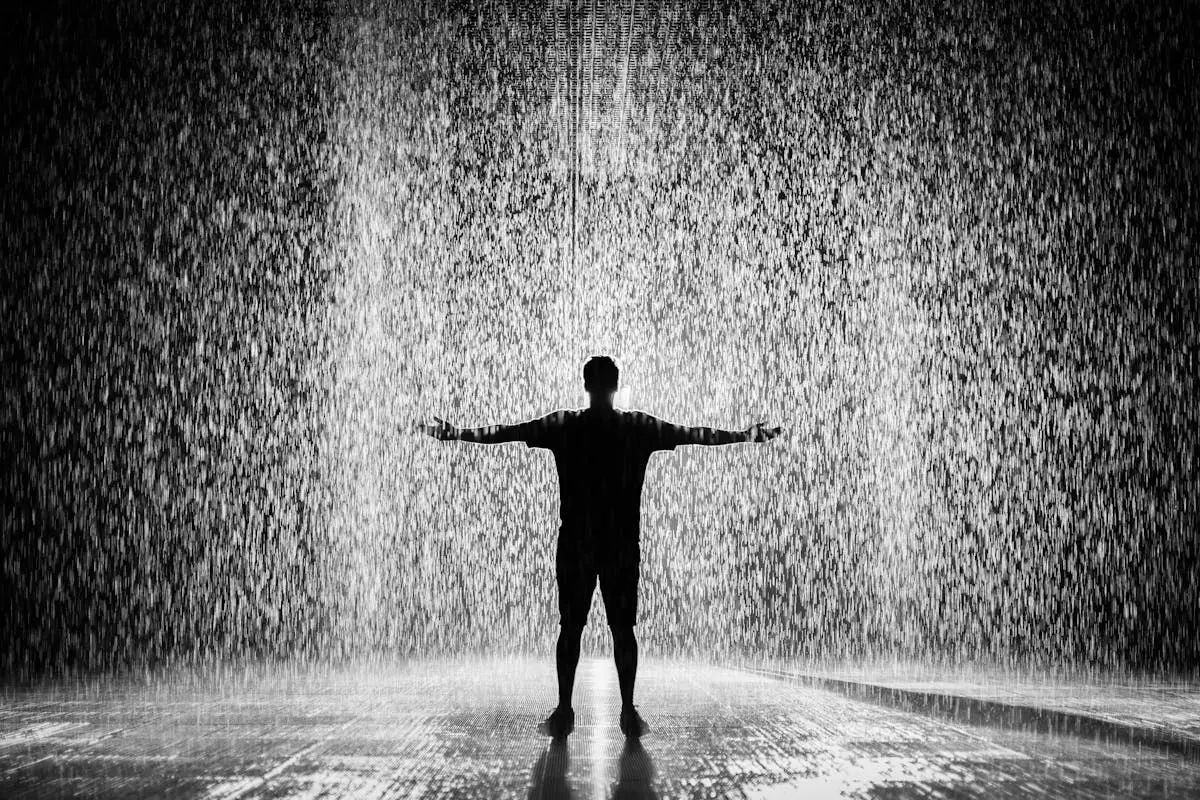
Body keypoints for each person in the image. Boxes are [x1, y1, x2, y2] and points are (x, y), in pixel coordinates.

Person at [417, 356, 783, 739]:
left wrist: (456, 433)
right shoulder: (637, 427)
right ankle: (627, 711)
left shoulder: (565, 426)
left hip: (577, 542)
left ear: (586, 385)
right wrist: (743, 435)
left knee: (571, 628)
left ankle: (564, 710)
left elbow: (504, 432)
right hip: (620, 544)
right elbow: (695, 434)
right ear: (617, 385)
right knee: (622, 629)